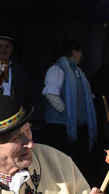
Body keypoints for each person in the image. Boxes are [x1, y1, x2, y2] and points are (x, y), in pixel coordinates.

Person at [42, 39, 98, 185]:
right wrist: (67, 113)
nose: (81, 55)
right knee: (60, 166)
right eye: (80, 51)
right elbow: (50, 93)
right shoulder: (58, 68)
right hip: (59, 128)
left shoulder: (77, 72)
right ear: (73, 51)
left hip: (72, 127)